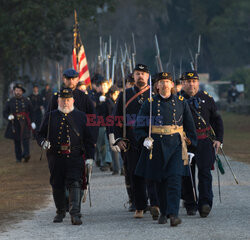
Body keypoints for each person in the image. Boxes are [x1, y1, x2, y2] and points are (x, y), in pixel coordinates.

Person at [134, 72, 197, 226]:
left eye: (167, 81)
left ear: (172, 85)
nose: (164, 84)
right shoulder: (149, 103)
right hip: (156, 145)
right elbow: (139, 126)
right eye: (160, 82)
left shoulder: (181, 102)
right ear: (156, 86)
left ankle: (173, 214)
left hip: (176, 145)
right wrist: (144, 139)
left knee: (175, 179)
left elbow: (189, 126)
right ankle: (163, 211)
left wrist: (190, 147)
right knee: (160, 181)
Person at [37, 88, 95, 225]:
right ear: (58, 101)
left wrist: (90, 158)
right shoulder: (50, 115)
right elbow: (39, 134)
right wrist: (43, 142)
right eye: (62, 100)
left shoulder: (81, 116)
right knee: (57, 183)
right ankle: (60, 211)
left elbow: (88, 139)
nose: (65, 103)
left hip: (75, 155)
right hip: (55, 156)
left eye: (68, 100)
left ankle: (75, 213)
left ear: (73, 101)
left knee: (75, 182)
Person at [113, 64, 159, 218]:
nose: (140, 76)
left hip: (151, 141)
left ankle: (155, 204)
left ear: (148, 76)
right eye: (138, 73)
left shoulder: (155, 94)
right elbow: (116, 119)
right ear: (133, 76)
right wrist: (119, 138)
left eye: (143, 73)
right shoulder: (124, 95)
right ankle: (139, 206)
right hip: (131, 143)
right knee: (135, 175)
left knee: (153, 174)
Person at [181, 71, 224, 217]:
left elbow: (217, 120)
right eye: (188, 81)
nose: (191, 84)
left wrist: (218, 139)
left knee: (205, 173)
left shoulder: (207, 98)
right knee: (187, 174)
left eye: (194, 81)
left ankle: (205, 203)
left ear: (198, 83)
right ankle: (190, 204)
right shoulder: (177, 99)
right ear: (183, 83)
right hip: (185, 143)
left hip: (205, 141)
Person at [3, 83, 36, 162]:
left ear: (22, 92)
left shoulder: (27, 100)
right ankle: (18, 157)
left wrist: (33, 122)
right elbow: (4, 112)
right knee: (17, 141)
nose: (18, 92)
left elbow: (32, 112)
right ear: (14, 91)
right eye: (16, 90)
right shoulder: (10, 101)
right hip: (15, 123)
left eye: (19, 91)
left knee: (26, 139)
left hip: (25, 122)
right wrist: (8, 117)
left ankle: (26, 154)